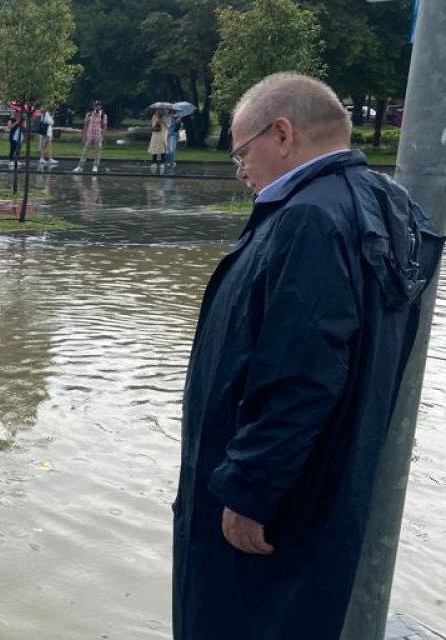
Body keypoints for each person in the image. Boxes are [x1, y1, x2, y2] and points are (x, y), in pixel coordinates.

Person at [173, 72, 443, 640]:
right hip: (320, 491)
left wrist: (250, 489)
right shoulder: (375, 202)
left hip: (273, 507)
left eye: (242, 153)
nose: (241, 170)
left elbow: (302, 373)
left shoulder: (310, 220)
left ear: (283, 134)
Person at [73, 100, 107, 173]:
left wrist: (102, 136)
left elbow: (104, 127)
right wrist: (84, 136)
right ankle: (80, 166)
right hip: (89, 135)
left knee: (97, 152)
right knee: (85, 151)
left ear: (100, 106)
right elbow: (86, 125)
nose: (97, 107)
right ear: (93, 106)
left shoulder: (103, 115)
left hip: (98, 135)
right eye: (96, 105)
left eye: (98, 105)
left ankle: (95, 166)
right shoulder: (89, 114)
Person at [148, 107, 171, 172]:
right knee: (154, 147)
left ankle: (162, 162)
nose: (161, 111)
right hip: (156, 134)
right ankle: (154, 162)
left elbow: (168, 126)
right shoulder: (155, 115)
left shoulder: (167, 116)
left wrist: (163, 121)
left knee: (163, 148)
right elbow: (153, 125)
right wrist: (157, 121)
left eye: (162, 109)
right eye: (160, 109)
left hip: (163, 133)